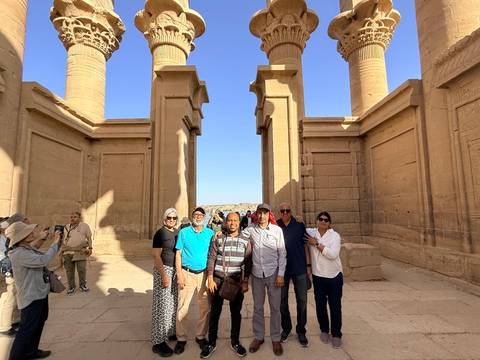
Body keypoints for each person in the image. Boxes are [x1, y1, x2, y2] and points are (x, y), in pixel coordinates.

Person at [6, 221, 62, 360]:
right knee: (26, 329)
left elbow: (34, 247)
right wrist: (55, 242)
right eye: (28, 232)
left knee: (38, 323)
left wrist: (42, 238)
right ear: (21, 237)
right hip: (31, 296)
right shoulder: (19, 253)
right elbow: (43, 260)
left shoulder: (25, 248)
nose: (32, 233)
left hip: (39, 292)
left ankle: (31, 351)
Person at [200, 212, 252, 358]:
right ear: (225, 222)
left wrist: (246, 280)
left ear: (239, 222)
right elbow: (211, 257)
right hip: (217, 280)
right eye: (230, 220)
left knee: (236, 314)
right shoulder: (218, 238)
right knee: (214, 313)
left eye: (235, 220)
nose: (232, 223)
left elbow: (248, 262)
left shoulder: (245, 240)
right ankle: (211, 343)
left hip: (236, 281)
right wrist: (209, 277)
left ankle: (235, 341)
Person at [243, 203, 286, 356]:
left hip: (273, 274)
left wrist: (281, 274)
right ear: (256, 214)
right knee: (258, 307)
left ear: (269, 215)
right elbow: (237, 236)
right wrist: (220, 234)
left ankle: (275, 338)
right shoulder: (250, 230)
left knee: (275, 308)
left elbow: (282, 253)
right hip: (256, 274)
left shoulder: (277, 230)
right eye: (259, 213)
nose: (262, 216)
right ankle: (259, 336)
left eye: (265, 213)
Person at [174, 207, 214, 354]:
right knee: (182, 307)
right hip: (187, 273)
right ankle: (181, 338)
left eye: (201, 215)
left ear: (204, 217)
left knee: (204, 307)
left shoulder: (210, 233)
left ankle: (200, 336)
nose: (198, 217)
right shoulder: (184, 233)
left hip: (203, 275)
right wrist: (179, 274)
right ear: (192, 217)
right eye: (196, 215)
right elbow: (178, 254)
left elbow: (215, 252)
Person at [305, 211, 343, 349]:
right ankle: (324, 330)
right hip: (318, 276)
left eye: (326, 220)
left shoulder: (334, 236)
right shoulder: (311, 232)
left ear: (329, 223)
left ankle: (337, 334)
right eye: (320, 219)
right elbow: (299, 228)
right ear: (316, 221)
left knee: (335, 306)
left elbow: (333, 254)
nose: (323, 221)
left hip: (334, 276)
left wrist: (316, 244)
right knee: (320, 306)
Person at [276, 203, 310, 347]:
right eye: (282, 211)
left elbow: (306, 245)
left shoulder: (299, 225)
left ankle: (301, 330)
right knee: (282, 302)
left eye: (287, 211)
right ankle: (287, 328)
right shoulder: (275, 226)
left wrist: (309, 267)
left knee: (302, 301)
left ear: (291, 212)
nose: (284, 213)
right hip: (282, 271)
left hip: (300, 268)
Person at [151, 208, 180, 357]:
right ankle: (157, 342)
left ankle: (170, 332)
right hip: (164, 270)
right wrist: (164, 275)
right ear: (164, 218)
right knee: (161, 305)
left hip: (175, 271)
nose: (172, 220)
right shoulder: (160, 233)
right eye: (169, 217)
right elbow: (156, 256)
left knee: (172, 303)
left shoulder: (176, 232)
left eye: (174, 218)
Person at [0, 213, 29, 337]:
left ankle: (14, 320)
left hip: (13, 268)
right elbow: (3, 255)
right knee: (8, 297)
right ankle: (4, 326)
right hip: (7, 269)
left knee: (15, 296)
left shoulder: (4, 237)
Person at [62, 212, 93, 295]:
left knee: (82, 269)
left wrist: (90, 248)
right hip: (67, 252)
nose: (72, 218)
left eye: (75, 217)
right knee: (69, 271)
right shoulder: (66, 227)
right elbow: (64, 239)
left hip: (80, 251)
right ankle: (71, 287)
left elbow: (89, 238)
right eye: (71, 217)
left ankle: (82, 285)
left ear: (79, 218)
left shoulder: (84, 226)